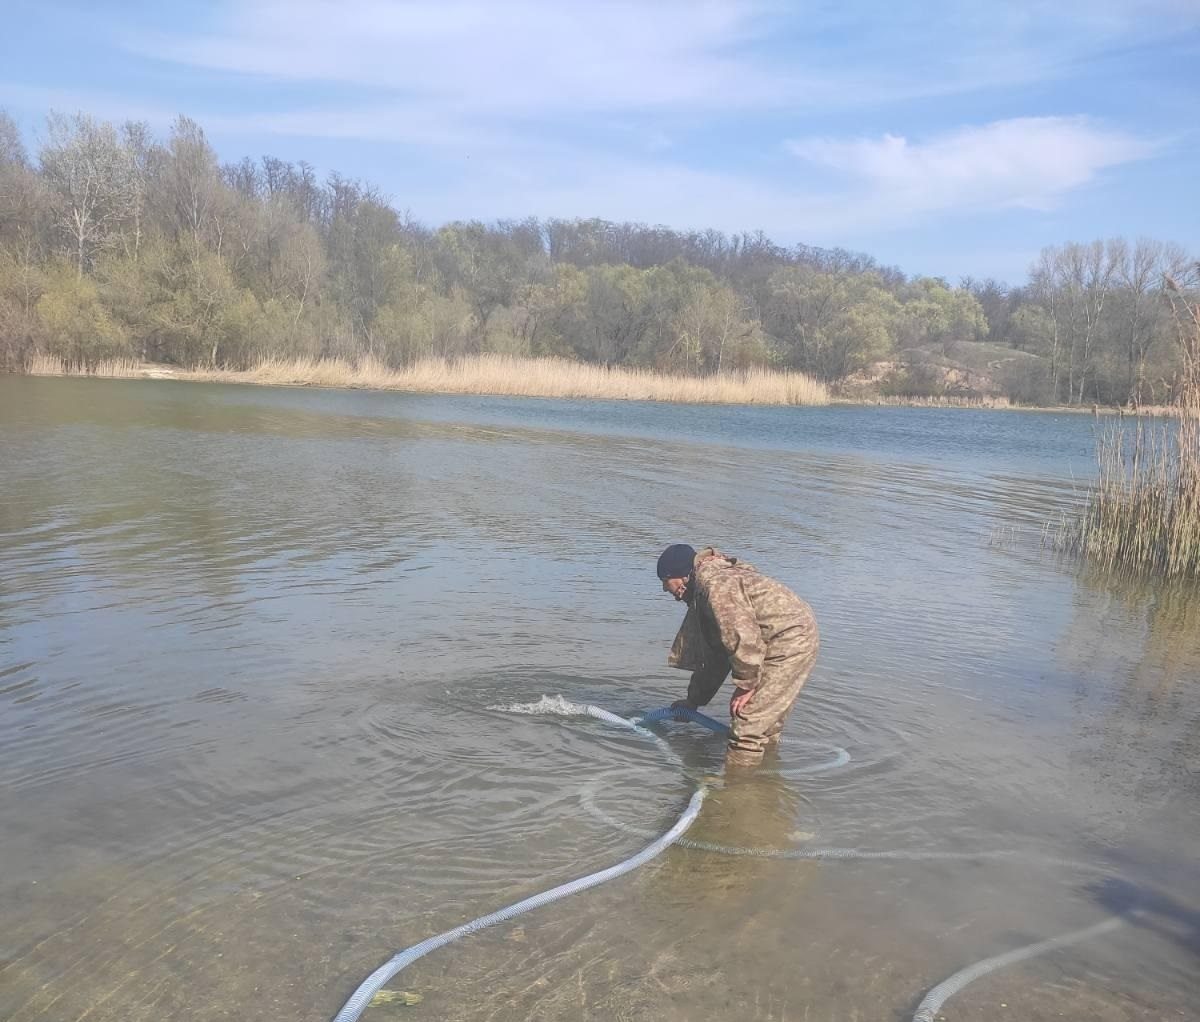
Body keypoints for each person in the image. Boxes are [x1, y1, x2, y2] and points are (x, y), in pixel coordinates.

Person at [657, 544, 819, 767]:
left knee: (746, 728)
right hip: (782, 638)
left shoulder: (717, 586)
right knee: (764, 727)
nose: (665, 590)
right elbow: (716, 655)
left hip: (789, 640)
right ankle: (764, 782)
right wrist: (694, 701)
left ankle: (736, 786)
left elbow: (741, 636)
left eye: (665, 581)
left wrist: (747, 684)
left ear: (679, 575)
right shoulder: (708, 587)